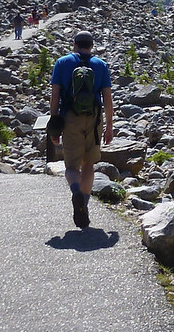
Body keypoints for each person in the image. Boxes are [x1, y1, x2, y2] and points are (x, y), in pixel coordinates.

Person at [47, 30, 114, 228]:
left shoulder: (62, 63)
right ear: (91, 46)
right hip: (93, 120)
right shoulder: (100, 65)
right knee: (88, 164)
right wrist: (109, 126)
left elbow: (55, 96)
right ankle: (83, 203)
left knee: (71, 167)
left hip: (70, 118)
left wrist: (54, 125)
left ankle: (75, 191)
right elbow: (107, 99)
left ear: (74, 44)